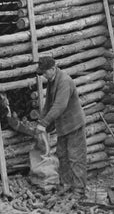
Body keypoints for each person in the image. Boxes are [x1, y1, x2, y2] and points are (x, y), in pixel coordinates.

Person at [35, 56, 87, 197]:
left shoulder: (64, 81)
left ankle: (79, 190)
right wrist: (41, 123)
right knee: (62, 156)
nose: (44, 76)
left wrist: (45, 124)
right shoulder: (52, 81)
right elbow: (48, 105)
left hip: (74, 124)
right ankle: (67, 184)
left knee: (76, 158)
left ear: (53, 68)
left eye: (45, 72)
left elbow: (59, 106)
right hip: (63, 127)